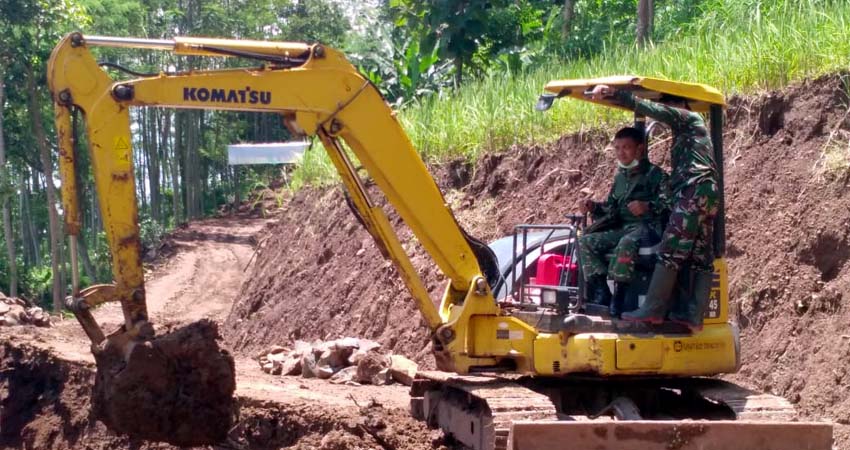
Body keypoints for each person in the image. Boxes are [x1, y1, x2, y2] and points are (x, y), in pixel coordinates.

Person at [591, 85, 720, 332]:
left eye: (669, 108)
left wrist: (616, 94)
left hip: (693, 193)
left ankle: (653, 308)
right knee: (702, 257)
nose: (666, 113)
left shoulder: (688, 118)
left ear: (680, 107)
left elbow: (650, 108)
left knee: (670, 249)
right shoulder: (689, 134)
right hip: (704, 193)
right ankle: (692, 315)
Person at [578, 127, 669, 317]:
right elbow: (611, 209)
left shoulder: (656, 175)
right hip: (623, 228)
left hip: (648, 229)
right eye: (617, 148)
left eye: (626, 147)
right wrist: (593, 207)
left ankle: (619, 296)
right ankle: (602, 290)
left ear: (640, 149)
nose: (621, 153)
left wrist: (647, 206)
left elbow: (670, 204)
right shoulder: (620, 177)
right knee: (585, 242)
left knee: (626, 243)